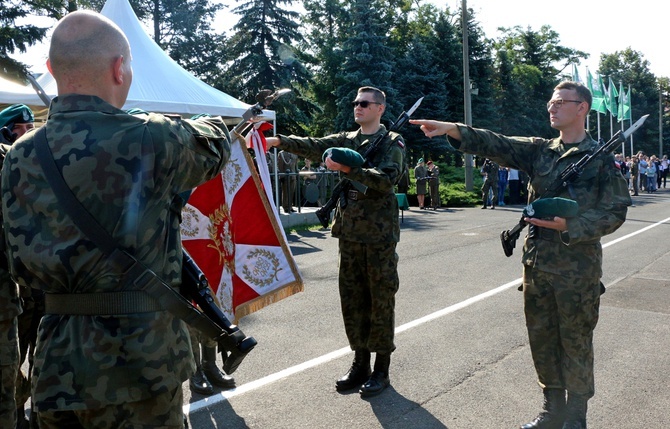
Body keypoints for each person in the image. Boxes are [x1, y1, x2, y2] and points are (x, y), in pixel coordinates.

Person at [1, 10, 232, 428]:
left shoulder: (19, 155)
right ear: (120, 67)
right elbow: (215, 141)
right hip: (141, 366)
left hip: (57, 367)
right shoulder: (151, 137)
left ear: (51, 69)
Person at [411, 81, 631, 429]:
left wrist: (569, 227)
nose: (552, 107)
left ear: (582, 108)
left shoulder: (602, 159)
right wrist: (454, 129)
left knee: (575, 340)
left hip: (577, 268)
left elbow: (615, 212)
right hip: (537, 265)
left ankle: (576, 416)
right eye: (550, 101)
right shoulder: (540, 150)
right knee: (541, 338)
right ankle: (552, 409)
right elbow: (497, 143)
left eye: (560, 102)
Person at [265, 86, 406, 398]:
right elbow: (316, 146)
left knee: (380, 300)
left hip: (379, 236)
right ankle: (360, 363)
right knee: (353, 300)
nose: (358, 107)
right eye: (355, 102)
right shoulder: (347, 139)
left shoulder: (393, 142)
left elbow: (386, 180)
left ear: (380, 108)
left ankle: (381, 369)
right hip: (349, 234)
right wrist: (278, 141)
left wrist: (350, 168)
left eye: (365, 103)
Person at [0, 103, 38, 428]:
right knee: (11, 371)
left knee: (43, 362)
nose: (25, 138)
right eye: (18, 131)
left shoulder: (36, 170)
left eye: (30, 130)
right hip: (14, 298)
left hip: (40, 292)